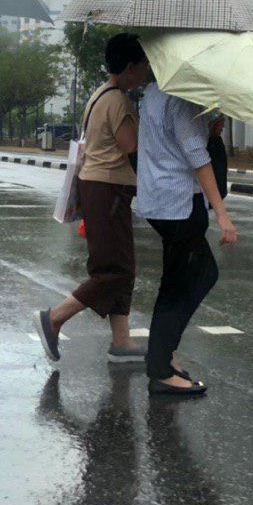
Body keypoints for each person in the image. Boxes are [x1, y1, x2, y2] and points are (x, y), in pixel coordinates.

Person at [35, 34, 150, 365]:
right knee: (113, 270)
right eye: (144, 65)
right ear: (130, 66)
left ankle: (122, 342)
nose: (146, 71)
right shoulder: (118, 101)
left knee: (121, 268)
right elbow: (131, 146)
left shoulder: (101, 94)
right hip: (108, 188)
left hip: (100, 188)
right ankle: (54, 318)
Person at [133, 83, 238, 396]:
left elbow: (171, 142)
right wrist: (222, 213)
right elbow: (197, 158)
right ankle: (161, 370)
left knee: (177, 282)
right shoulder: (183, 99)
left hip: (159, 199)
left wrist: (207, 129)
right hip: (179, 203)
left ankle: (163, 358)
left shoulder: (152, 92)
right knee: (196, 278)